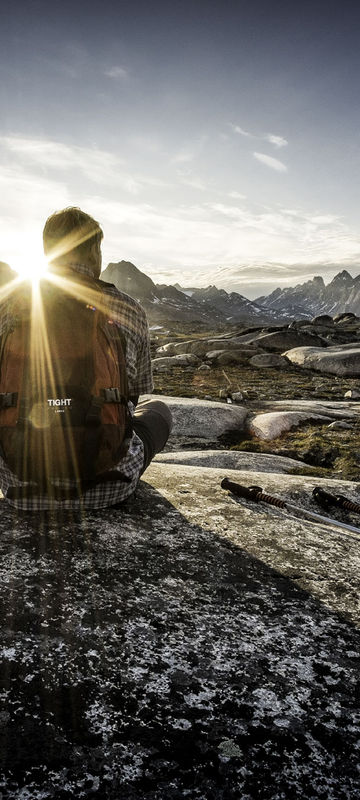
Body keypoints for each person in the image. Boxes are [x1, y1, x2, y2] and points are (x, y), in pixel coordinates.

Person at [0, 206, 172, 511]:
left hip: (20, 487)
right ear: (94, 251)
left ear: (46, 252)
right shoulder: (127, 307)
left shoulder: (9, 306)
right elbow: (135, 393)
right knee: (157, 409)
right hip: (108, 487)